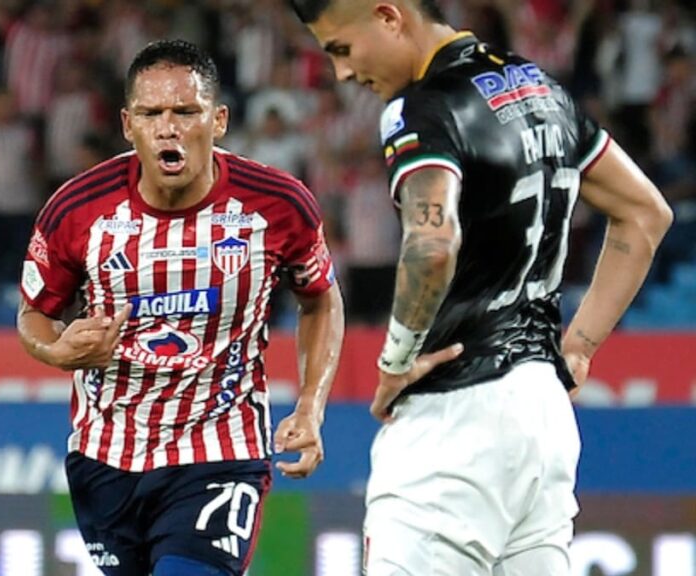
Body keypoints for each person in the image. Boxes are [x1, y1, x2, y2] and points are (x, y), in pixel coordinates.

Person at [289, 0, 674, 574]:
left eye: (341, 49)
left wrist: (395, 360)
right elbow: (646, 213)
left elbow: (432, 240)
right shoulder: (542, 89)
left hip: (453, 423)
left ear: (389, 16)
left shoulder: (421, 108)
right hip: (543, 420)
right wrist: (580, 347)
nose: (344, 73)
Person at [18, 39, 345, 576]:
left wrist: (311, 407)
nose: (168, 127)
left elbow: (321, 299)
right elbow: (32, 313)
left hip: (221, 448)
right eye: (151, 113)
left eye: (185, 111)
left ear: (217, 120)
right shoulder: (77, 210)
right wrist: (56, 352)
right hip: (106, 457)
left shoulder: (278, 204)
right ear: (128, 124)